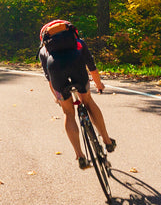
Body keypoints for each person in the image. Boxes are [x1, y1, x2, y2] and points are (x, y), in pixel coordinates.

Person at [38, 19, 115, 169]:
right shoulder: (79, 43)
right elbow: (91, 67)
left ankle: (80, 155)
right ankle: (107, 141)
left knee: (68, 112)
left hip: (56, 71)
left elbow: (49, 79)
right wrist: (99, 85)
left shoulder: (44, 50)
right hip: (77, 67)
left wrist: (58, 97)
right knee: (88, 102)